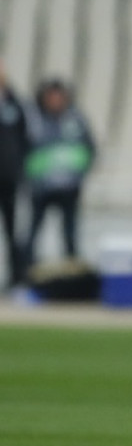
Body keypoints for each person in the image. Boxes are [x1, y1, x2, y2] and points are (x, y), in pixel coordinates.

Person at [24, 78, 95, 269]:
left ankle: (72, 268)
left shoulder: (76, 119)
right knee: (33, 229)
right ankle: (25, 268)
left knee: (70, 231)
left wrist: (79, 174)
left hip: (69, 186)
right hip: (41, 187)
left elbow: (89, 148)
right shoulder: (34, 120)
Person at [0, 60, 28, 288]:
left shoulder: (14, 103)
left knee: (12, 230)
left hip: (8, 178)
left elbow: (25, 137)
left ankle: (15, 277)